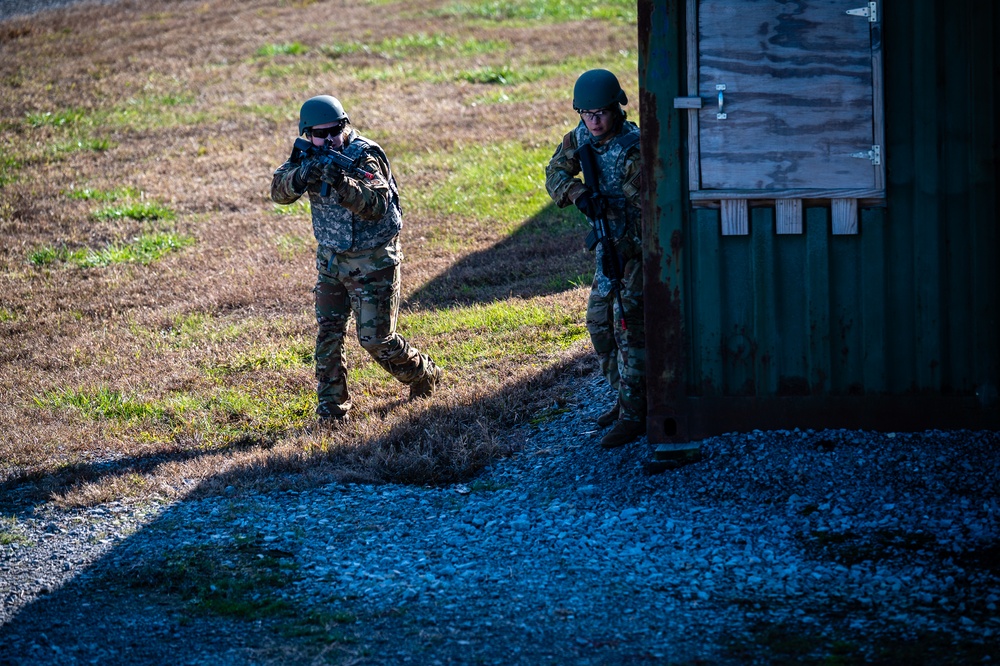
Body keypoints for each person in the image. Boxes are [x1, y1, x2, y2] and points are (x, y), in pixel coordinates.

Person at [271, 95, 442, 424]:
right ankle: (333, 412)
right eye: (321, 134)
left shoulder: (363, 156)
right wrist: (304, 174)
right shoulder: (307, 155)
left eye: (336, 131)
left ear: (344, 127)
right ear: (308, 135)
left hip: (373, 262)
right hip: (332, 261)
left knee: (376, 340)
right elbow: (278, 191)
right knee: (329, 334)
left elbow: (377, 206)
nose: (330, 139)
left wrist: (339, 180)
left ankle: (424, 375)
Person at [544, 69, 646, 449]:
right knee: (599, 325)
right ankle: (625, 400)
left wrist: (630, 245)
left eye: (601, 113)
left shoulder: (636, 148)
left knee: (629, 331)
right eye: (586, 114)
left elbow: (653, 210)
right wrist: (578, 193)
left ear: (616, 109)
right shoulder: (581, 138)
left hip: (635, 253)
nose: (594, 121)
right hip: (608, 247)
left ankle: (637, 414)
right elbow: (553, 171)